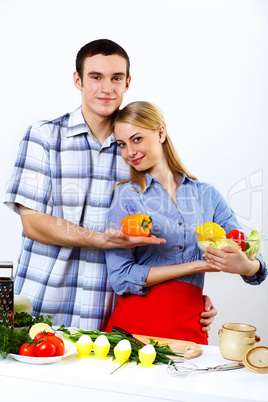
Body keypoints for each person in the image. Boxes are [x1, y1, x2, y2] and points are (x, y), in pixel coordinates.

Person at [4, 39, 216, 332]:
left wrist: (188, 295)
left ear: (128, 82)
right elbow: (33, 224)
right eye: (96, 77)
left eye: (116, 78)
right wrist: (100, 239)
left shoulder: (136, 150)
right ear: (78, 80)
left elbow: (171, 232)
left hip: (108, 313)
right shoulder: (44, 136)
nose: (107, 88)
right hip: (42, 300)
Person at [104, 101, 267, 344]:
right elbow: (121, 277)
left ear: (161, 133)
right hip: (135, 325)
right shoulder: (126, 196)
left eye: (136, 139)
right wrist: (194, 267)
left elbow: (249, 255)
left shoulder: (207, 195)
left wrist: (247, 266)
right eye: (122, 144)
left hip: (190, 320)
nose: (129, 152)